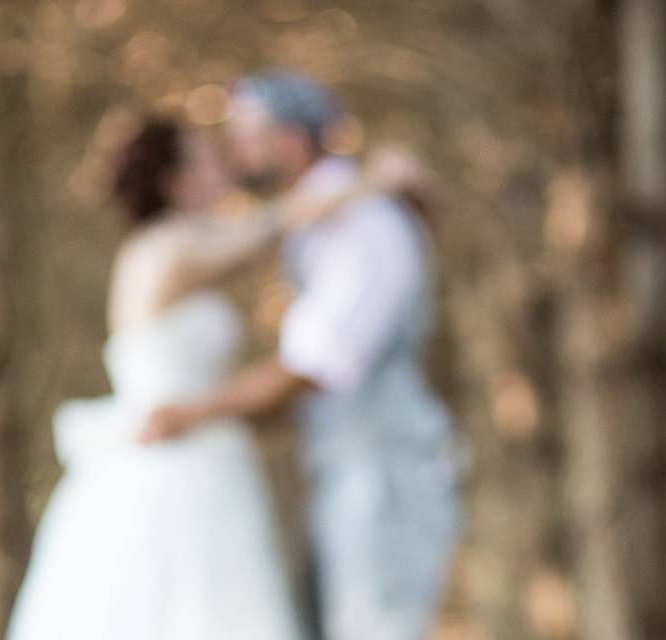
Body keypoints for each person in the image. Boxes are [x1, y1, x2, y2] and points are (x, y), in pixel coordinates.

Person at [7, 116, 408, 640]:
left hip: (205, 450)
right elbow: (278, 225)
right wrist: (371, 179)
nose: (224, 164)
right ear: (178, 180)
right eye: (205, 157)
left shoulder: (183, 241)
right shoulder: (167, 250)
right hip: (170, 456)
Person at [143, 71, 463, 640]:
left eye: (244, 136)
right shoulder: (325, 216)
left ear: (289, 140)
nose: (232, 152)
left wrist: (194, 414)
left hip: (383, 475)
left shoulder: (360, 223)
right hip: (348, 471)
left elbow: (315, 368)